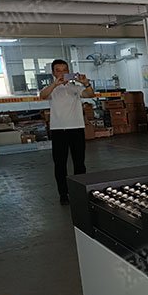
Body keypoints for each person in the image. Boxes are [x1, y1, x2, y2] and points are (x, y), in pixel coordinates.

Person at [40, 59, 94, 205]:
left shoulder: (75, 88)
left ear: (69, 72)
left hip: (76, 128)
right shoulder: (51, 89)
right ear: (53, 73)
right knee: (60, 164)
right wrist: (55, 84)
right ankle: (63, 194)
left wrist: (86, 83)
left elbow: (90, 95)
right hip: (58, 130)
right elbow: (43, 95)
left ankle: (80, 192)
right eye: (58, 70)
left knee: (79, 163)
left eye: (64, 70)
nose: (62, 73)